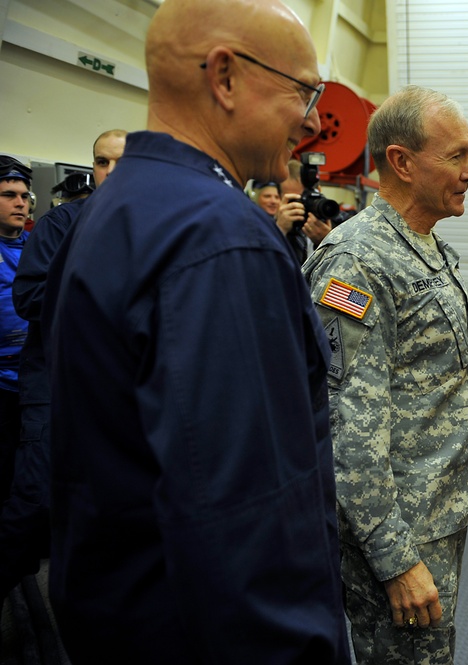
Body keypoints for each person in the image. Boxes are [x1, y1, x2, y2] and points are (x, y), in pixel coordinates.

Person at [41, 1, 351, 662]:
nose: (314, 118)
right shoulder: (220, 239)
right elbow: (246, 518)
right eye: (303, 89)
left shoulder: (111, 213)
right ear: (225, 76)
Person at [302, 85, 468, 665]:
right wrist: (394, 558)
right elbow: (347, 429)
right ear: (402, 162)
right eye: (456, 156)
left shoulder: (425, 245)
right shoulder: (357, 262)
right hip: (397, 527)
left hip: (436, 509)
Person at [0, 130, 124, 606]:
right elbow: (28, 297)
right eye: (102, 162)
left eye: (120, 163)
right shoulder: (60, 225)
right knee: (33, 500)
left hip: (111, 389)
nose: (110, 173)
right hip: (53, 380)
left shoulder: (145, 229)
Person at [0, 156, 32, 508]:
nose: (20, 202)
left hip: (32, 377)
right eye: (10, 195)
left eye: (24, 196)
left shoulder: (38, 246)